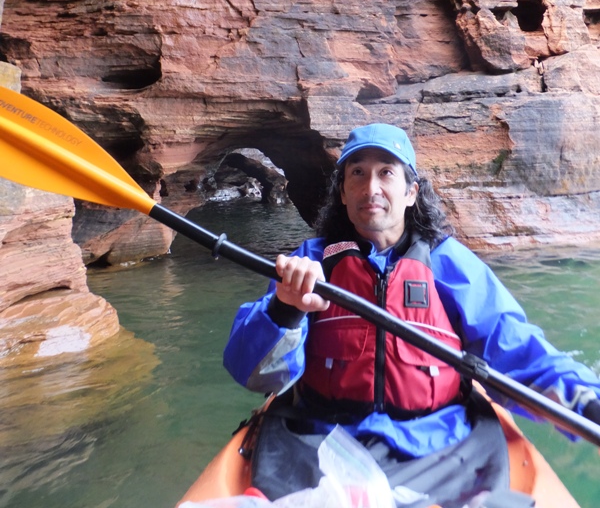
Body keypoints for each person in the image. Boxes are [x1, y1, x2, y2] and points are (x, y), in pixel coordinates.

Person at [223, 123, 600, 507]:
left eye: (386, 172)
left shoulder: (448, 263)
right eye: (357, 174)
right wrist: (285, 307)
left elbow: (518, 351)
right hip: (321, 442)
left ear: (410, 192)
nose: (371, 188)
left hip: (440, 448)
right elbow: (252, 372)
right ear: (342, 192)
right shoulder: (311, 261)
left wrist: (588, 402)